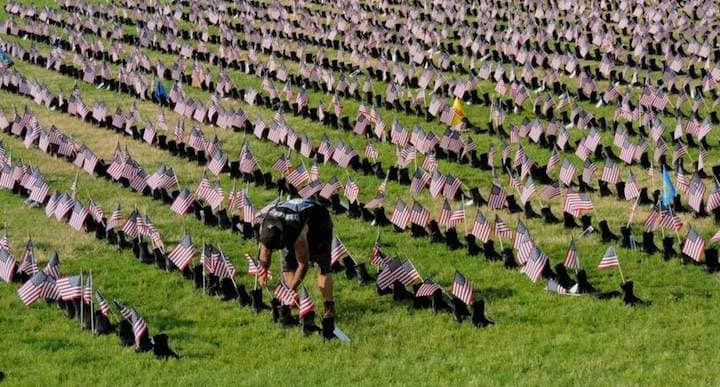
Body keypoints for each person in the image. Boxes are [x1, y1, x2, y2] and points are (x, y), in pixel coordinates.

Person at [258, 198, 336, 318]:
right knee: (288, 265)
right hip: (290, 222)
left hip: (318, 224)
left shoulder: (296, 233)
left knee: (322, 266)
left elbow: (303, 265)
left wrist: (291, 289)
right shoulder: (265, 227)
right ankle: (293, 301)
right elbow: (265, 252)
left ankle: (329, 306)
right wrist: (262, 272)